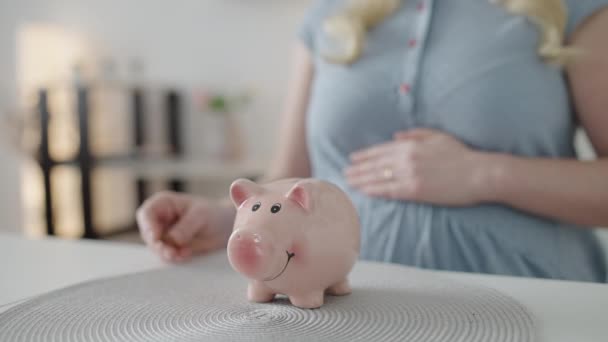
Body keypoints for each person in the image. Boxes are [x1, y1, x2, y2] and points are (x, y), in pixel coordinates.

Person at [137, 0, 608, 282]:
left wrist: (482, 175)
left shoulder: (571, 9)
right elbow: (287, 175)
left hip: (533, 298)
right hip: (344, 304)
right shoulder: (330, 15)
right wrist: (223, 221)